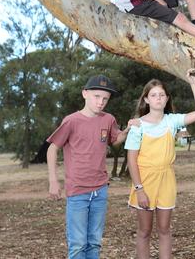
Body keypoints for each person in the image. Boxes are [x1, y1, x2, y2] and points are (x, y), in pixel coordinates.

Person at [47, 75, 134, 259]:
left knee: (94, 242)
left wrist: (127, 130)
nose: (101, 102)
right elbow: (52, 149)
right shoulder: (71, 121)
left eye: (105, 99)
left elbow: (115, 140)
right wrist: (53, 182)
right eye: (96, 96)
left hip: (100, 190)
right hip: (78, 191)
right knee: (78, 244)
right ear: (85, 93)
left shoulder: (108, 119)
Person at [125, 70, 195, 259]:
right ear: (146, 99)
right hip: (144, 181)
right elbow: (131, 160)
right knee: (144, 231)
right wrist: (139, 189)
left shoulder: (171, 121)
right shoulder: (138, 125)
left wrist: (193, 83)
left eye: (162, 95)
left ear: (167, 98)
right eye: (153, 95)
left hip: (166, 180)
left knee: (165, 229)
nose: (158, 98)